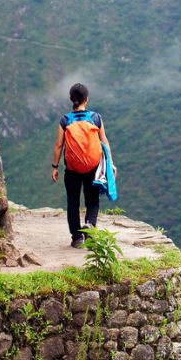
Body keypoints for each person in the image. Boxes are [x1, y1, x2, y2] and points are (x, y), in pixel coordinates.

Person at [52, 83, 116, 248]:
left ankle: (76, 237)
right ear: (86, 99)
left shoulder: (65, 120)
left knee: (73, 202)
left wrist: (54, 167)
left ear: (71, 99)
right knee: (92, 201)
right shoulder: (96, 118)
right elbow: (104, 141)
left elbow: (59, 145)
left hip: (72, 169)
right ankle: (90, 228)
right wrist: (110, 164)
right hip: (92, 168)